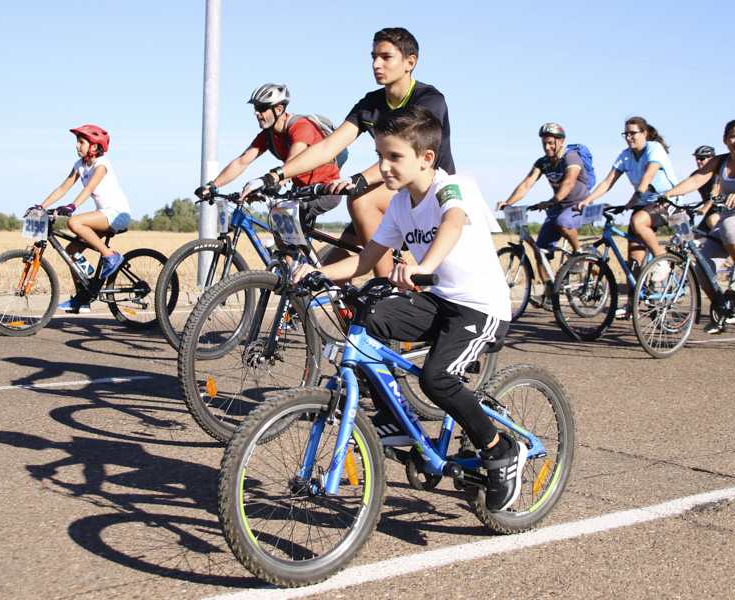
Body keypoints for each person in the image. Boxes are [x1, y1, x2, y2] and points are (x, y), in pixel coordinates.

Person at [291, 104, 523, 512]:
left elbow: (452, 222)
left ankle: (500, 449)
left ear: (426, 158)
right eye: (380, 155)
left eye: (394, 156)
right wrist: (318, 273)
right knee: (371, 321)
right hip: (437, 299)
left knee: (437, 379)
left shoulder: (451, 188)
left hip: (480, 307)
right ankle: (396, 425)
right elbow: (365, 261)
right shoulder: (399, 204)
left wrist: (424, 265)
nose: (383, 166)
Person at [242, 27, 453, 276]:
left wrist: (358, 180)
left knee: (360, 198)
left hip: (427, 194)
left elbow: (405, 154)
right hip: (389, 193)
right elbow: (328, 146)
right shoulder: (369, 104)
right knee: (328, 278)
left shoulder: (429, 100)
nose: (376, 64)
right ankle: (353, 314)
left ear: (410, 62)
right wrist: (273, 176)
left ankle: (386, 292)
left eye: (386, 57)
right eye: (373, 56)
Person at [660, 120, 735, 333]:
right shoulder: (720, 162)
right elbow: (696, 180)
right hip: (730, 223)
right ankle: (722, 310)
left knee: (728, 224)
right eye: (733, 137)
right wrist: (668, 194)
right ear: (725, 140)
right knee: (701, 268)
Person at [195, 84, 342, 235]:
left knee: (286, 227)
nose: (256, 113)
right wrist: (212, 186)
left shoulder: (300, 127)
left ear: (279, 109)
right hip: (299, 190)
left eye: (262, 108)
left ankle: (301, 258)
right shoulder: (268, 135)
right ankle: (290, 258)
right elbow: (242, 161)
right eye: (255, 108)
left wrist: (268, 182)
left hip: (325, 188)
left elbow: (293, 162)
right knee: (281, 233)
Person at [576, 116, 680, 316]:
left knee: (638, 221)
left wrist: (636, 195)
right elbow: (608, 182)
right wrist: (587, 200)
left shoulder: (654, 148)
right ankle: (633, 305)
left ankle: (661, 261)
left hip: (666, 201)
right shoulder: (625, 155)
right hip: (643, 205)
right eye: (626, 134)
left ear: (645, 133)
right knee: (633, 260)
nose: (629, 137)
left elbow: (649, 175)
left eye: (633, 133)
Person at [32, 125, 131, 313]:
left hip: (117, 214)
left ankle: (111, 256)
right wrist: (41, 206)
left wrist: (72, 207)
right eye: (77, 142)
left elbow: (88, 188)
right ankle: (83, 297)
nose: (77, 146)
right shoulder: (79, 165)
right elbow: (63, 188)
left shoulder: (102, 164)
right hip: (104, 215)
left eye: (81, 142)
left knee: (74, 222)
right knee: (71, 251)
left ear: (94, 146)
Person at [495, 123, 591, 289]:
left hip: (577, 206)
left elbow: (569, 181)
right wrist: (508, 202)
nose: (547, 147)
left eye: (551, 143)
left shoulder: (571, 157)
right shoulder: (543, 162)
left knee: (563, 221)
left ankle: (579, 253)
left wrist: (554, 200)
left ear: (561, 141)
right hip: (557, 206)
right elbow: (527, 183)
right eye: (544, 143)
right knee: (540, 251)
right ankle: (549, 290)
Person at [691, 145, 721, 236]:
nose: (698, 161)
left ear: (711, 159)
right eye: (697, 159)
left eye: (702, 158)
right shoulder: (696, 174)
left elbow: (715, 191)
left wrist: (705, 208)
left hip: (722, 210)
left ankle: (730, 247)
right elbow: (684, 188)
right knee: (697, 236)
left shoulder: (717, 173)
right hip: (710, 211)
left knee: (712, 221)